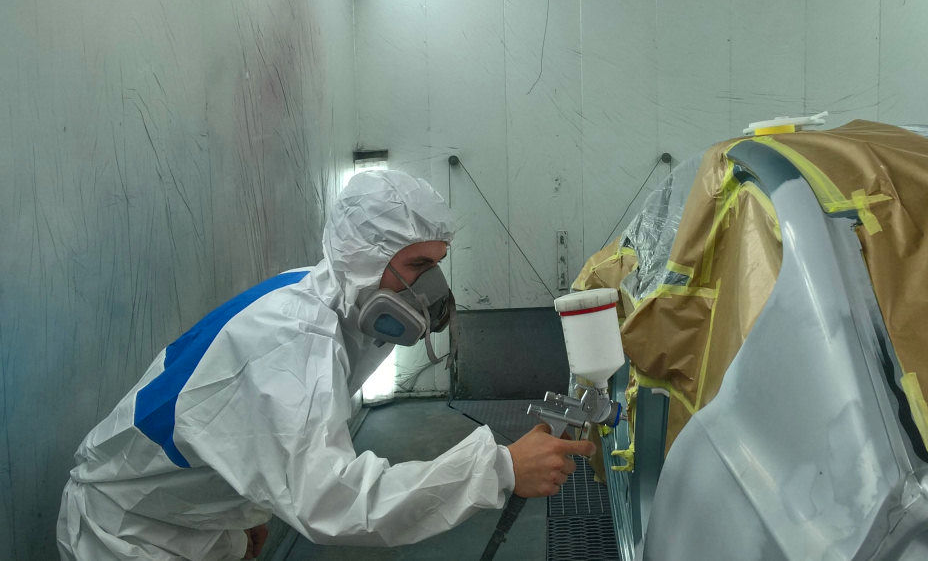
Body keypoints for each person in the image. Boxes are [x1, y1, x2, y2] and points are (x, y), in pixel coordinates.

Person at [57, 170, 594, 559]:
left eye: (436, 265)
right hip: (129, 533)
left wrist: (241, 517)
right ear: (364, 255)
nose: (431, 288)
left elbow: (248, 429)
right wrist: (500, 468)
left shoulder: (325, 297)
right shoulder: (291, 341)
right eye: (417, 265)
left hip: (191, 518)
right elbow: (335, 503)